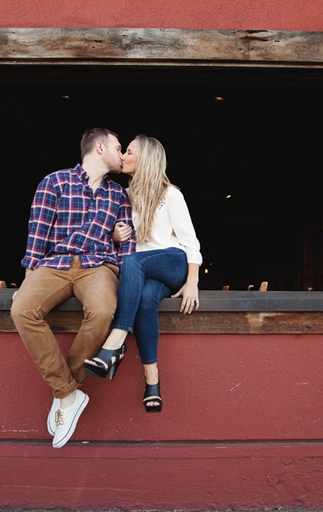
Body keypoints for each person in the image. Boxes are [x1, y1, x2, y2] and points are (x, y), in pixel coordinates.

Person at [10, 128, 135, 448]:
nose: (122, 155)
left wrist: (127, 284)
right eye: (118, 147)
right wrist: (27, 282)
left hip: (98, 266)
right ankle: (68, 394)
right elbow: (36, 235)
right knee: (22, 309)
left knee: (103, 310)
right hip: (55, 263)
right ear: (100, 147)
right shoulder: (54, 182)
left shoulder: (119, 195)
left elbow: (128, 246)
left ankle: (65, 394)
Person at [83, 134, 202, 413]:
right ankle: (152, 381)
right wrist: (114, 236)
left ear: (145, 159)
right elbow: (117, 244)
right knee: (147, 299)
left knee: (133, 262)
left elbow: (191, 242)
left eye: (128, 151)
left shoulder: (171, 195)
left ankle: (115, 342)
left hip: (173, 264)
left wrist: (193, 282)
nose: (122, 156)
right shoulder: (123, 197)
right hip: (145, 273)